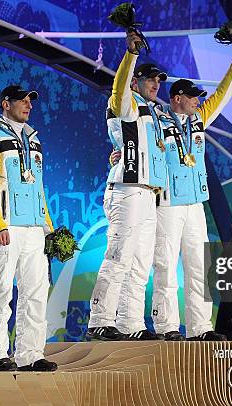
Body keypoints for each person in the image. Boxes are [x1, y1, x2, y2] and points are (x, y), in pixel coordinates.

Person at [150, 43, 232, 341]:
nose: (197, 102)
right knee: (165, 264)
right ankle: (166, 326)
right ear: (177, 98)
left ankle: (201, 327)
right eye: (192, 97)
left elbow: (221, 97)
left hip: (194, 204)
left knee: (199, 266)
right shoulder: (155, 120)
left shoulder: (199, 120)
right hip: (167, 202)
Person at [86, 31, 168, 341]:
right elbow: (118, 87)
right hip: (126, 190)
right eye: (148, 79)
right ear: (135, 82)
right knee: (119, 255)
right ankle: (99, 318)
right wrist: (130, 55)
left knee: (140, 262)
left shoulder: (156, 114)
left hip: (148, 194)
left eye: (158, 80)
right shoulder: (126, 103)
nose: (155, 84)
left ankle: (131, 323)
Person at [0, 85, 58, 372]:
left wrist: (48, 228)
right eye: (22, 101)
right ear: (5, 103)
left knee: (36, 291)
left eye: (30, 101)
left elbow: (38, 187)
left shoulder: (33, 139)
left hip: (34, 227)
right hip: (7, 225)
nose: (28, 105)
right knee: (0, 290)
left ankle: (30, 354)